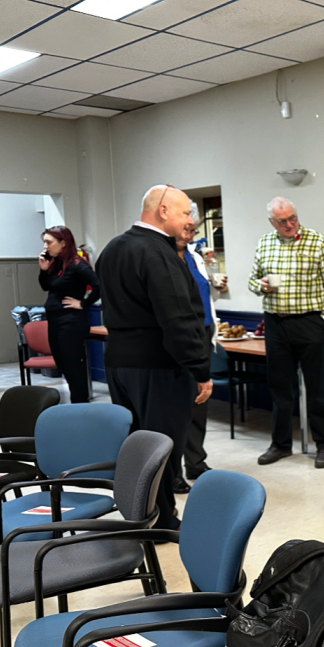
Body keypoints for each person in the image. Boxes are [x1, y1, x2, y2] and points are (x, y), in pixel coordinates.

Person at [97, 185, 213, 530]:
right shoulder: (157, 254)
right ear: (163, 210)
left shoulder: (113, 248)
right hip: (158, 367)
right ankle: (162, 519)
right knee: (162, 447)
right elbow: (177, 320)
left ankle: (139, 511)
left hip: (119, 365)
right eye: (185, 213)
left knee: (136, 445)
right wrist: (200, 370)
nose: (189, 220)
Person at [249, 197, 324, 469]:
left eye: (293, 218)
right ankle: (280, 445)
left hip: (310, 322)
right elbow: (252, 280)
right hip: (275, 324)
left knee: (316, 389)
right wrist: (262, 286)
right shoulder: (265, 243)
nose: (290, 224)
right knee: (280, 389)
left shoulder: (318, 241)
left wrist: (323, 321)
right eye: (282, 221)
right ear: (272, 222)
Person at [176, 214, 228, 487]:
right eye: (186, 227)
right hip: (181, 336)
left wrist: (215, 286)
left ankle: (195, 462)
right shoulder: (166, 258)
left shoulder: (195, 257)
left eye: (193, 229)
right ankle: (172, 472)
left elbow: (206, 295)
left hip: (204, 333)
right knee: (175, 406)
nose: (190, 232)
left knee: (199, 400)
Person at [37, 226, 100, 403]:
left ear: (63, 243)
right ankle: (78, 403)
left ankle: (80, 405)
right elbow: (46, 287)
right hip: (55, 320)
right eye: (44, 242)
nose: (45, 246)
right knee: (62, 363)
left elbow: (98, 286)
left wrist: (83, 303)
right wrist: (43, 270)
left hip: (71, 321)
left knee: (73, 367)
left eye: (49, 242)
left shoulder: (76, 264)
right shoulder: (56, 264)